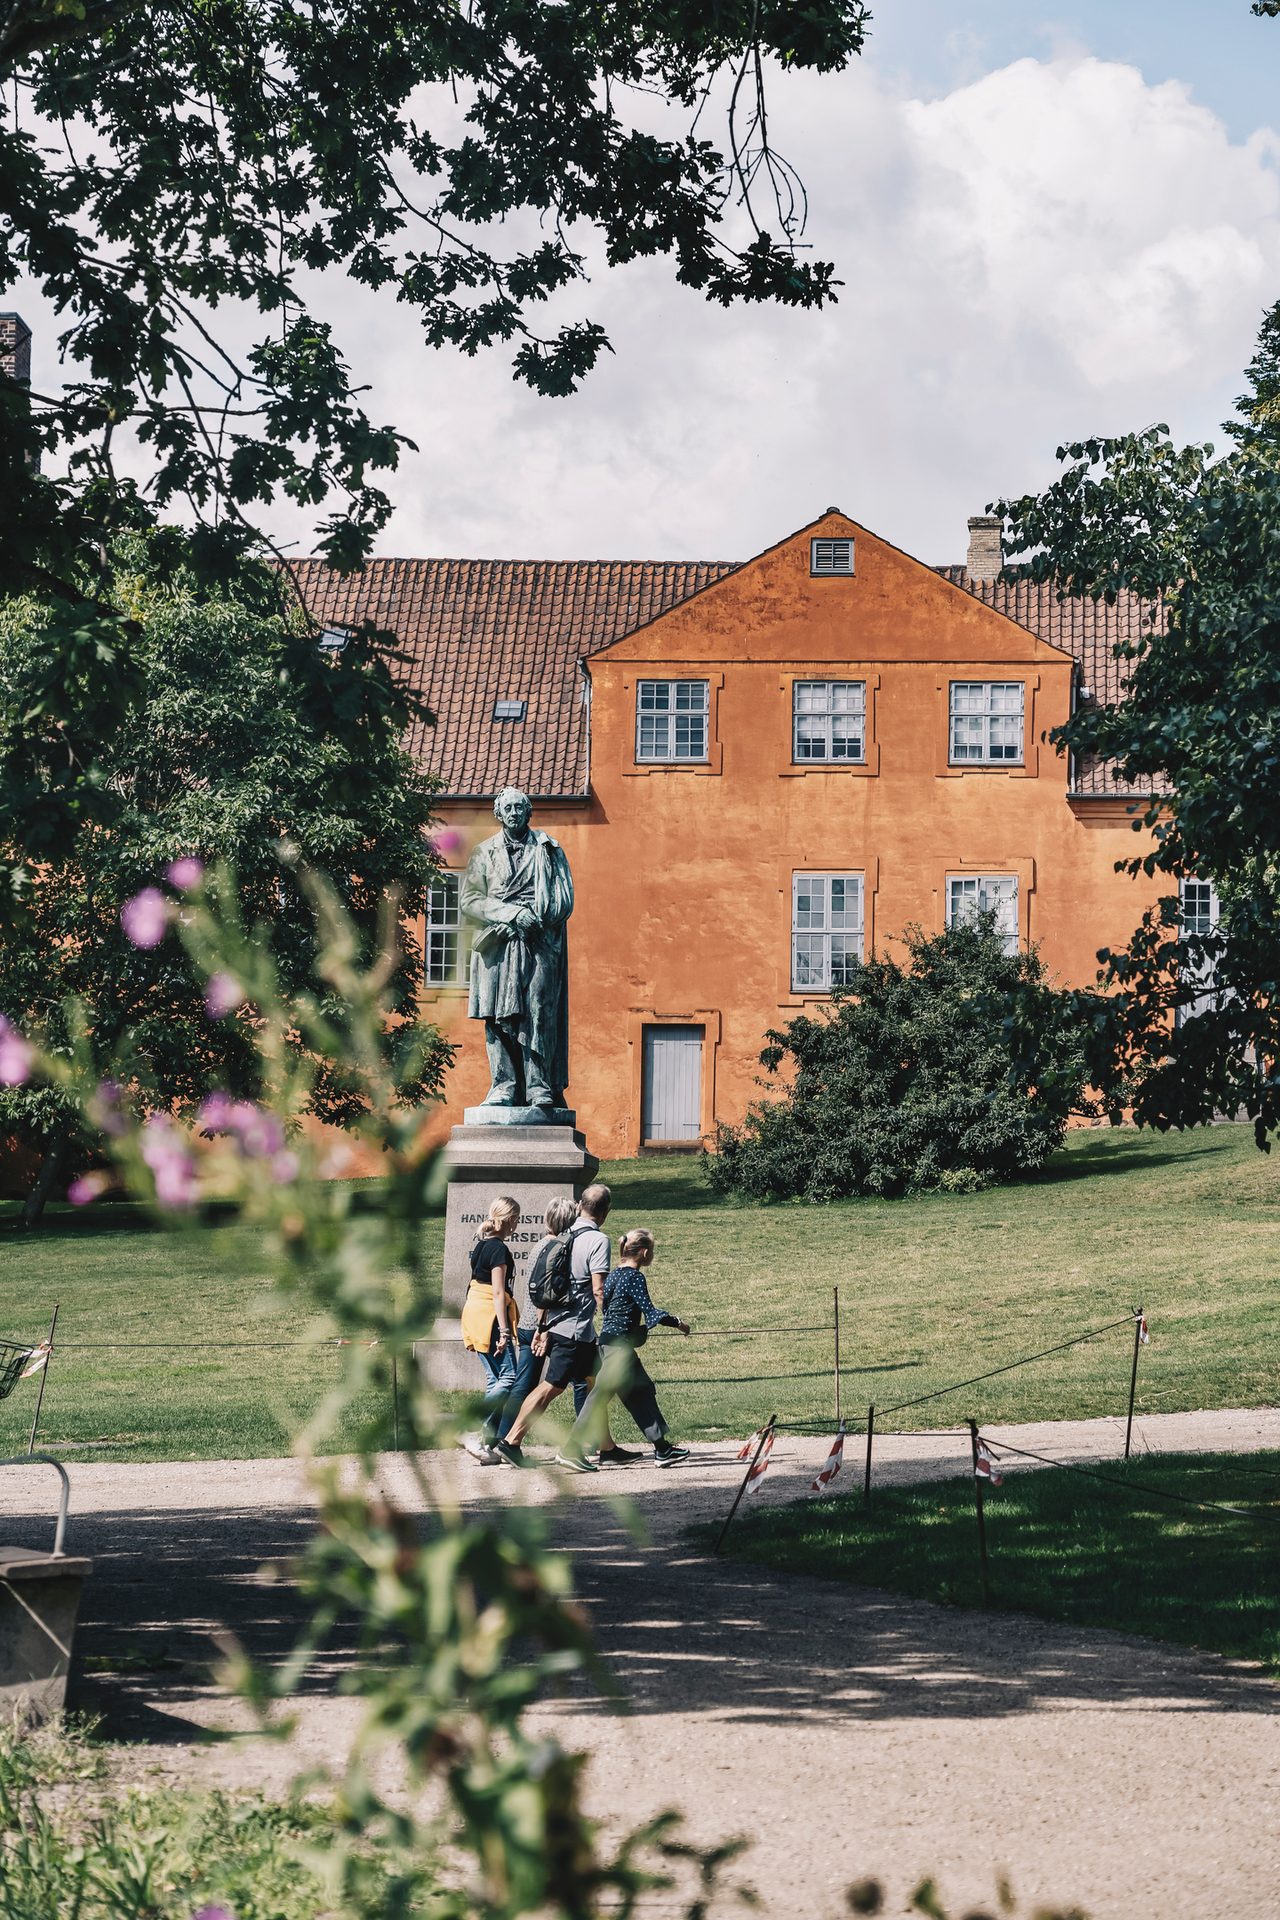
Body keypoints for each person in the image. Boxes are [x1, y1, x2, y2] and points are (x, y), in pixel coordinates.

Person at [494, 1183, 638, 1469]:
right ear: (606, 1212)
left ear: (581, 1204)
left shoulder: (564, 1236)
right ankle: (511, 1441)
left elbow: (552, 1284)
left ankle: (606, 1446)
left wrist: (543, 1325)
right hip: (574, 1330)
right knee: (551, 1387)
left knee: (596, 1383)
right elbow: (599, 1288)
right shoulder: (597, 1240)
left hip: (567, 1327)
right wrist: (613, 1319)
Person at [564, 1228, 691, 1469]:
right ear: (644, 1252)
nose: (651, 1254)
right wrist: (678, 1323)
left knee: (641, 1392)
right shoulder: (635, 1277)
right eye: (651, 1251)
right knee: (598, 1397)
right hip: (618, 1350)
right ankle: (571, 1448)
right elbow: (651, 1312)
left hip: (610, 1345)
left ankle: (663, 1449)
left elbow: (607, 1309)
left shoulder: (613, 1276)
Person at [476, 1193, 580, 1459]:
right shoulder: (558, 1249)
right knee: (534, 1384)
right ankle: (503, 1439)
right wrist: (542, 1327)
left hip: (529, 1324)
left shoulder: (540, 1245)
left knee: (524, 1384)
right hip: (541, 1326)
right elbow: (545, 1294)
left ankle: (502, 1439)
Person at [458, 1195, 520, 1457]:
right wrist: (505, 1331)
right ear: (510, 1220)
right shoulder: (498, 1249)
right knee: (509, 1377)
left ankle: (485, 1444)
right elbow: (497, 1292)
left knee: (495, 1379)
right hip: (490, 1317)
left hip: (475, 1313)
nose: (517, 1224)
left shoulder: (482, 1245)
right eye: (516, 1219)